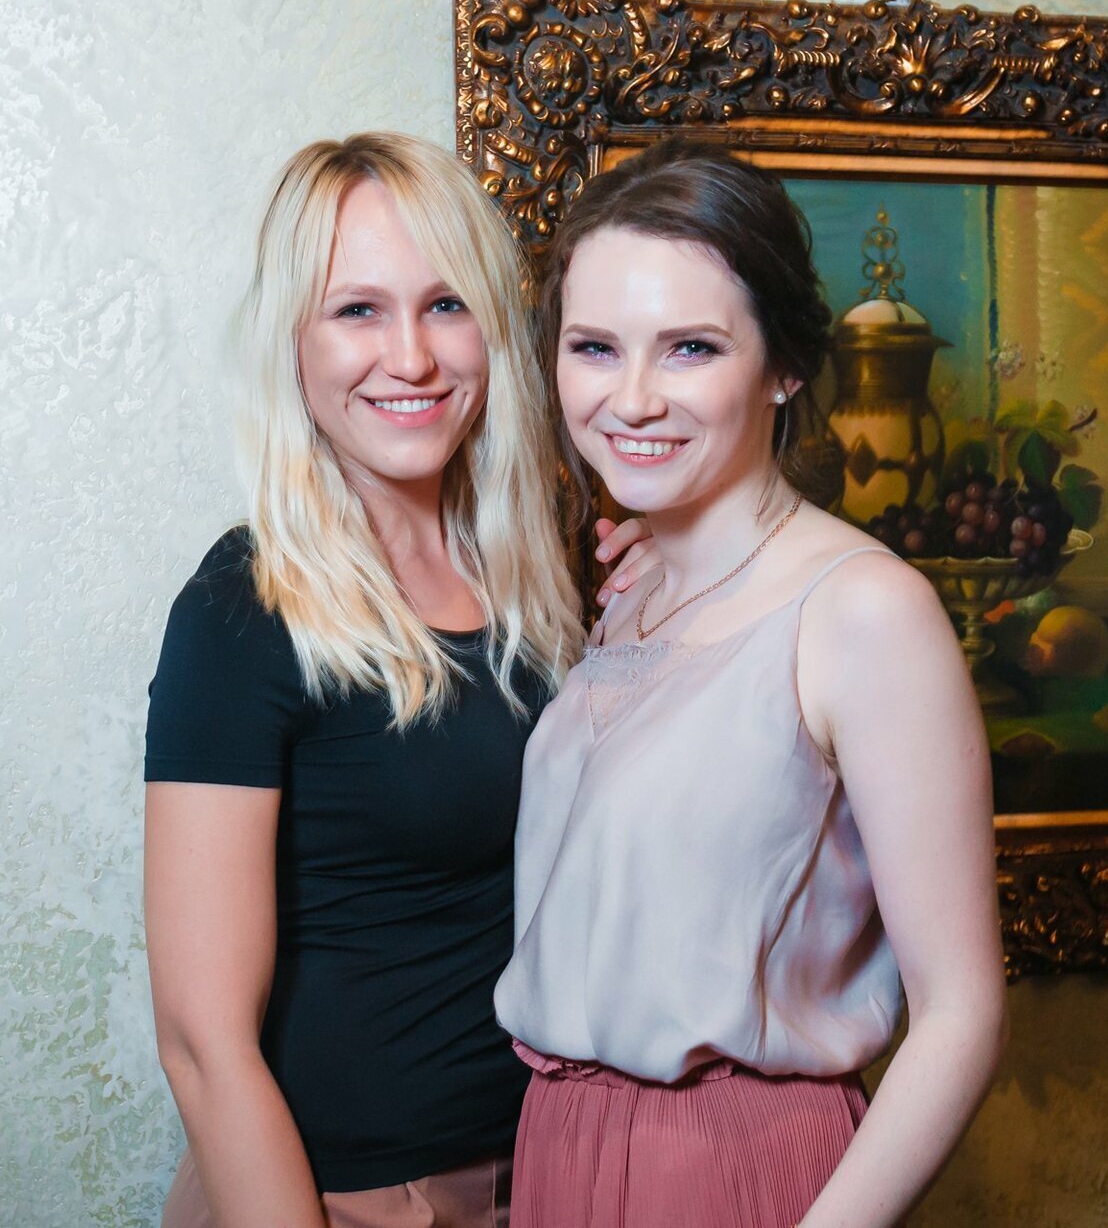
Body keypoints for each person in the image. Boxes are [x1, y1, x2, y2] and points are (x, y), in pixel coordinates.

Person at [143, 132, 656, 1228]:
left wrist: (679, 573)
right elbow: (200, 1041)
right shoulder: (246, 607)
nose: (412, 358)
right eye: (358, 311)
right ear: (294, 341)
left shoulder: (548, 577)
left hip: (551, 1171)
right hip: (347, 1198)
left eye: (445, 305)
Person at [495, 139, 1008, 1228]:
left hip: (727, 1168)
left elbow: (961, 1013)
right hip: (557, 1150)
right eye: (594, 347)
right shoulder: (633, 586)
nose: (632, 398)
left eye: (690, 348)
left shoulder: (864, 611)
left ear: (784, 367)